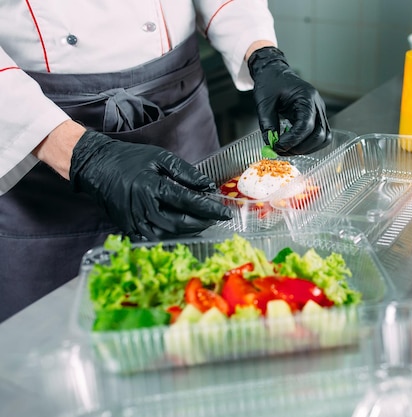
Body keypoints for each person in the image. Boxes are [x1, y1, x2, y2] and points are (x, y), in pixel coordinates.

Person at [0, 1, 331, 321]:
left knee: (209, 320)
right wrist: (84, 155)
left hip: (181, 122)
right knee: (55, 339)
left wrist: (262, 54)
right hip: (38, 142)